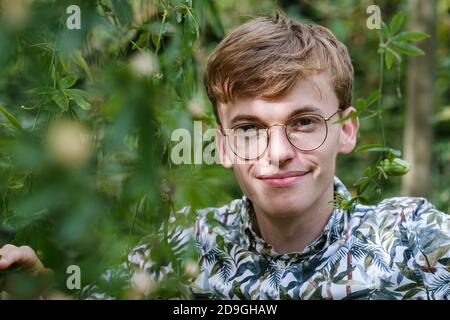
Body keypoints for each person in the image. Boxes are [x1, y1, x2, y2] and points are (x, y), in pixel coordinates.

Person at [0, 14, 448, 300]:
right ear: (223, 145)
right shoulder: (178, 252)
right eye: (249, 129)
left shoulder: (413, 241)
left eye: (304, 122)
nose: (278, 154)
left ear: (346, 130)